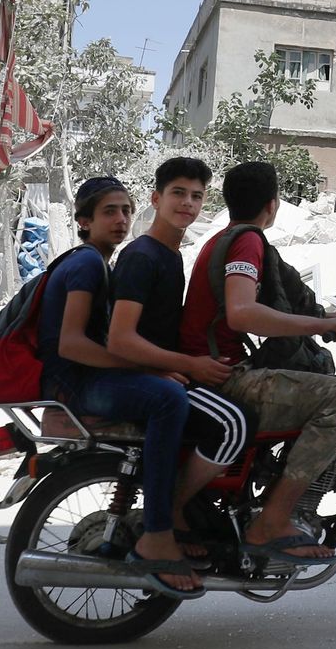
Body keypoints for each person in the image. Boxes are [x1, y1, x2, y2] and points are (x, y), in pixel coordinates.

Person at [38, 175, 242, 596]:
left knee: (172, 392)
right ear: (83, 220)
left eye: (126, 211)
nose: (121, 219)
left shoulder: (109, 261)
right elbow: (73, 343)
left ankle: (184, 516)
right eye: (109, 212)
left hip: (90, 375)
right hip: (74, 382)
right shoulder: (87, 264)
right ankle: (159, 528)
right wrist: (154, 368)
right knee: (170, 399)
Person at [183, 160, 336, 565]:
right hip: (223, 377)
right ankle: (273, 520)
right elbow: (242, 312)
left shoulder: (222, 238)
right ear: (273, 205)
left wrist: (327, 320)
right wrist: (322, 324)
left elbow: (287, 296)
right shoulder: (247, 241)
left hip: (215, 370)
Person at [101, 158, 246, 571]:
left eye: (197, 196)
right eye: (178, 193)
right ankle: (165, 517)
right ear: (156, 198)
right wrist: (188, 365)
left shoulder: (171, 255)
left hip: (158, 371)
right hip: (133, 378)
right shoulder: (142, 256)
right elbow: (121, 337)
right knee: (233, 425)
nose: (188, 203)